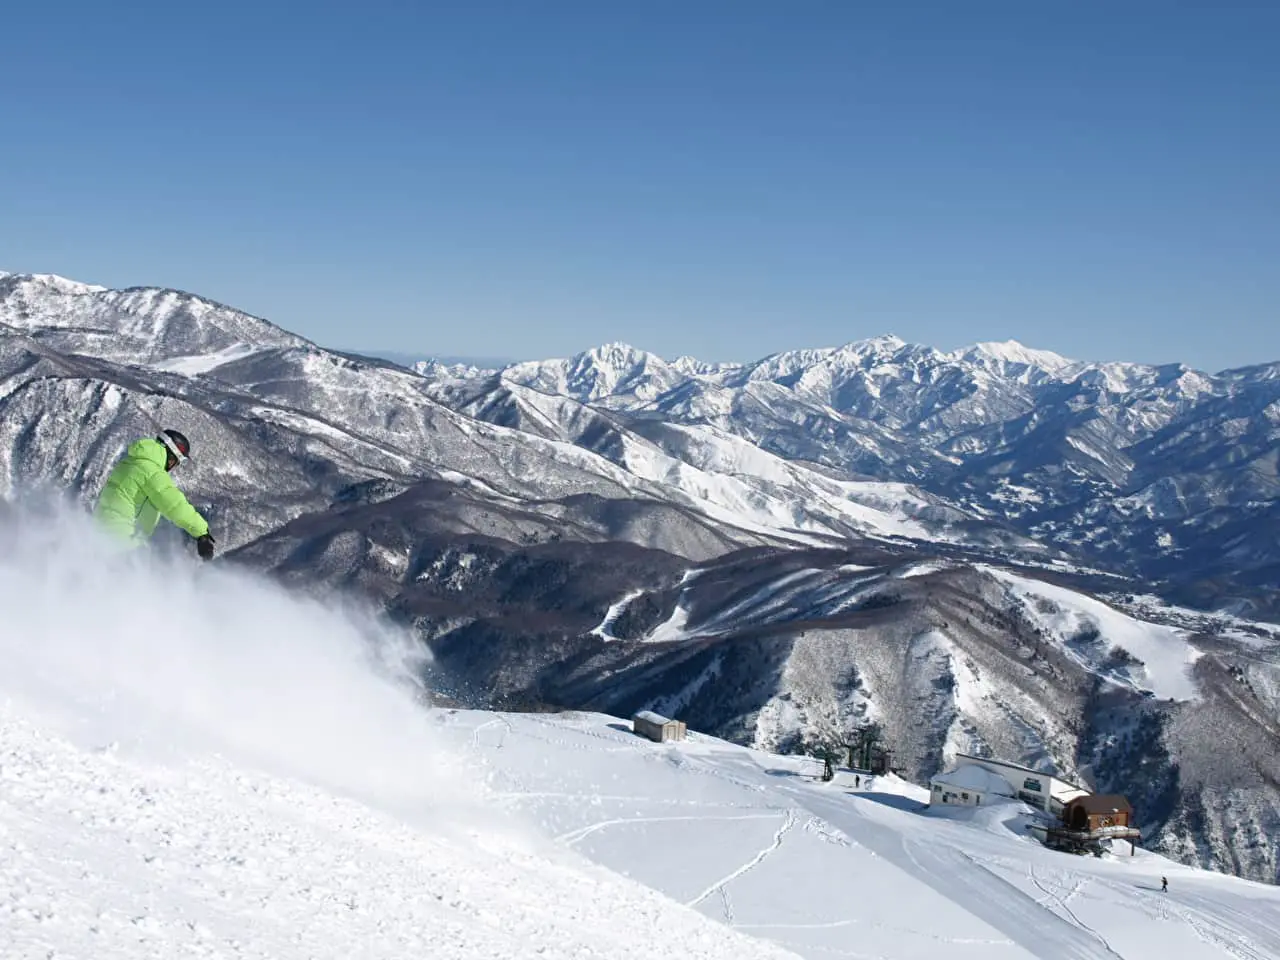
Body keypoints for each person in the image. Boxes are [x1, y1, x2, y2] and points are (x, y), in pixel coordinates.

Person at [94, 429, 215, 560]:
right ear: (172, 456)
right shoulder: (152, 471)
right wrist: (202, 532)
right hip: (123, 540)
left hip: (99, 533)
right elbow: (174, 504)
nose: (175, 466)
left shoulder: (131, 462)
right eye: (178, 461)